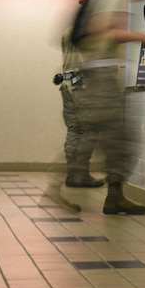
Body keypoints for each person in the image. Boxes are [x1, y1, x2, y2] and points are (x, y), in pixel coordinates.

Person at [74, 0, 145, 214]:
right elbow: (106, 33)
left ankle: (114, 194)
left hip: (98, 72)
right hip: (101, 74)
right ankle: (114, 195)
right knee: (121, 136)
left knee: (107, 134)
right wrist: (144, 37)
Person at [57, 26, 101, 188]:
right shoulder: (89, 31)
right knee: (89, 130)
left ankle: (72, 174)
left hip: (67, 84)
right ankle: (81, 174)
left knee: (74, 129)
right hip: (82, 85)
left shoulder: (68, 31)